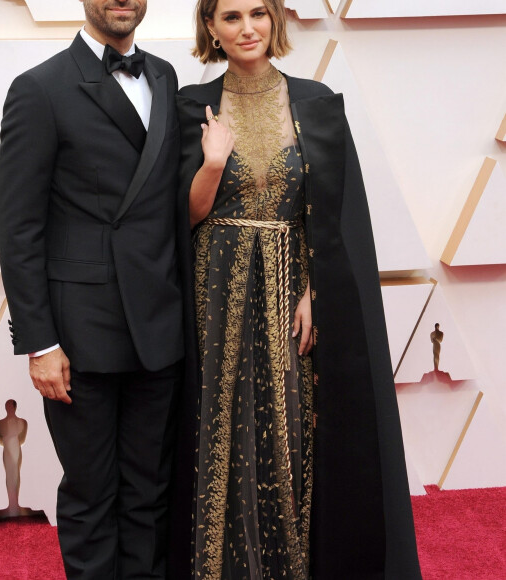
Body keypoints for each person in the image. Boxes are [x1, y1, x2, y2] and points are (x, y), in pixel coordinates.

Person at [172, 0, 423, 577]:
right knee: (218, 427)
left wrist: (317, 289)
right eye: (230, 17)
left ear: (275, 20)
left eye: (257, 13)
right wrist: (211, 165)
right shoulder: (189, 106)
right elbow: (175, 222)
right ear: (210, 27)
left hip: (290, 292)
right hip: (214, 295)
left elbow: (336, 220)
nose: (246, 28)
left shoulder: (316, 103)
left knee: (290, 429)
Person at [0, 1, 187, 577]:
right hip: (79, 337)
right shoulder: (40, 89)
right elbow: (19, 226)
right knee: (90, 494)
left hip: (160, 326)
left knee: (150, 494)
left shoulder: (165, 76)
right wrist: (39, 343)